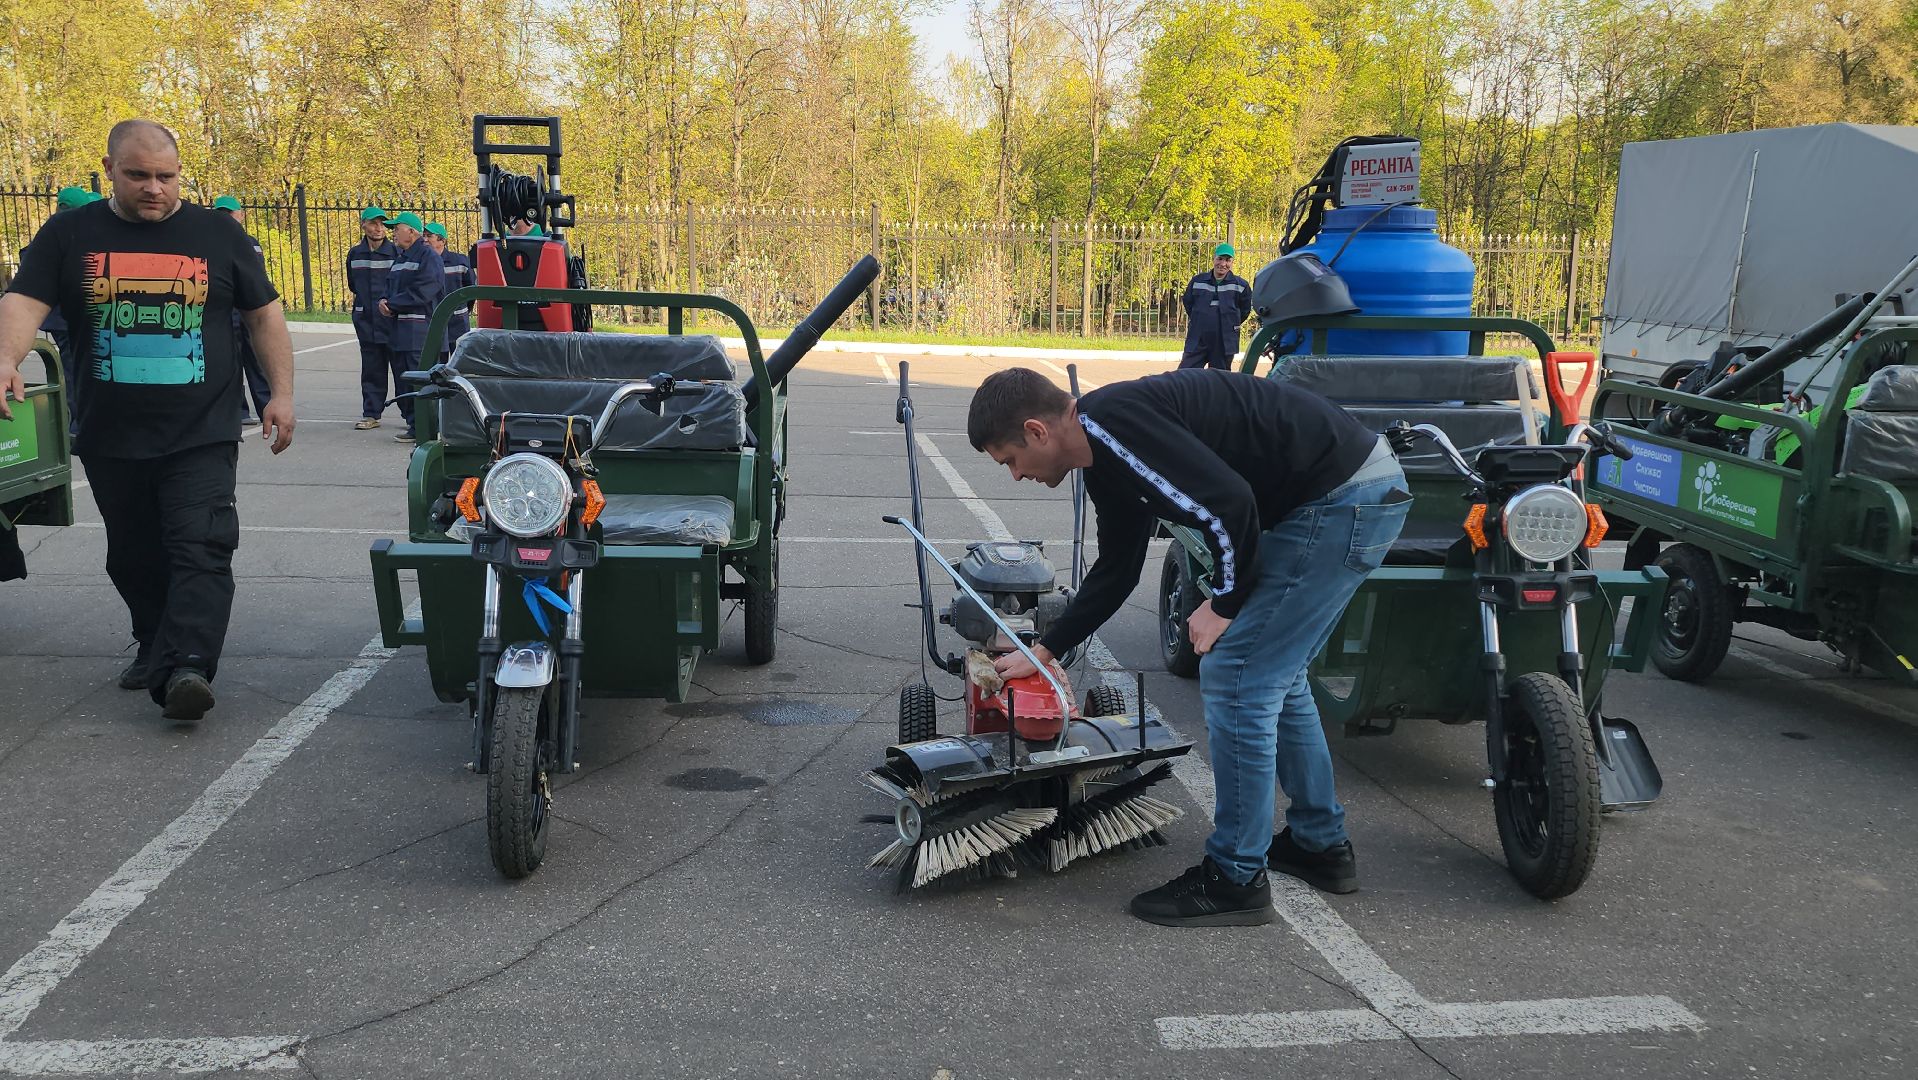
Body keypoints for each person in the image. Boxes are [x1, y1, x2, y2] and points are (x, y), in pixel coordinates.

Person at [967, 367, 1410, 926]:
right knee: (1277, 673)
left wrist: (1225, 602)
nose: (1014, 476)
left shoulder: (1115, 426)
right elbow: (1119, 565)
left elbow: (1230, 502)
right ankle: (1319, 845)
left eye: (1009, 460)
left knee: (1238, 674)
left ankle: (1235, 877)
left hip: (1341, 498)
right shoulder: (1101, 452)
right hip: (1349, 492)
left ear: (1036, 431)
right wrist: (1046, 649)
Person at [0, 119, 296, 723]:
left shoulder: (217, 234)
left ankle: (187, 665)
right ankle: (155, 641)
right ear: (109, 169)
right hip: (111, 435)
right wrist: (7, 357)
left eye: (166, 176)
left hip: (202, 431)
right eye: (138, 175)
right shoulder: (70, 233)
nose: (154, 187)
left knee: (201, 545)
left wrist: (281, 394)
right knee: (133, 554)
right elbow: (23, 300)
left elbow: (264, 316)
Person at [34, 187, 100, 432]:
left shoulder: (55, 232)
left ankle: (80, 423)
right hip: (72, 320)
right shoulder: (70, 233)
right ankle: (79, 426)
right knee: (78, 372)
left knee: (80, 371)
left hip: (68, 320)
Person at [379, 212, 444, 444]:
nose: (393, 232)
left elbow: (426, 289)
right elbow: (389, 286)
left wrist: (393, 304)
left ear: (412, 231)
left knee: (420, 378)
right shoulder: (401, 258)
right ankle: (412, 424)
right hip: (399, 332)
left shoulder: (428, 256)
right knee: (403, 379)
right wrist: (384, 300)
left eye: (397, 228)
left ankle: (425, 428)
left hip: (419, 332)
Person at [212, 195, 272, 428]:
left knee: (257, 362)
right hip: (224, 311)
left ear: (241, 215)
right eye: (222, 213)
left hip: (248, 310)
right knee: (230, 363)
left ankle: (266, 408)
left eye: (230, 213)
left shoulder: (250, 242)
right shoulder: (210, 243)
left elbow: (257, 279)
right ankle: (239, 411)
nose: (227, 218)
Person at [348, 206, 398, 431]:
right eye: (373, 223)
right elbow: (352, 284)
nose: (378, 228)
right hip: (367, 320)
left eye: (382, 224)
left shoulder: (397, 253)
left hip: (392, 321)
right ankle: (371, 413)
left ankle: (411, 418)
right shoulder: (355, 254)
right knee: (371, 368)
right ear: (364, 225)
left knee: (401, 369)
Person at [1180, 243, 1251, 371]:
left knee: (1219, 380)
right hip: (1198, 338)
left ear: (1232, 262)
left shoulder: (1241, 285)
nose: (1223, 264)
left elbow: (1244, 310)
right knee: (1185, 374)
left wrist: (1229, 322)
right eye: (1220, 259)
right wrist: (1200, 318)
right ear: (1214, 259)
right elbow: (1188, 303)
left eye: (1228, 260)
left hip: (1224, 340)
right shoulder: (1197, 281)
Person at [424, 222, 471, 358]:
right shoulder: (423, 262)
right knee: (438, 365)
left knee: (460, 362)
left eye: (429, 236)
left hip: (458, 323)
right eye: (424, 236)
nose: (425, 239)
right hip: (435, 323)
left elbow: (469, 289)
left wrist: (463, 308)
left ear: (442, 240)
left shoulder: (459, 261)